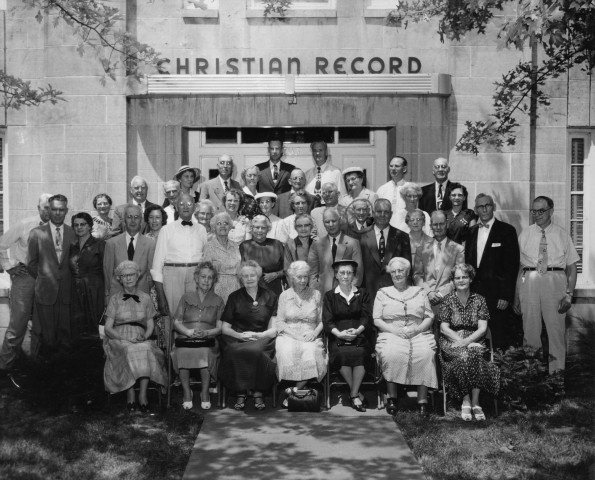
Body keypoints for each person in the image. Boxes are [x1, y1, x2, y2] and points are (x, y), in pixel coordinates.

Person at [515, 196, 579, 373]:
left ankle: (556, 379)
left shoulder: (562, 234)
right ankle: (532, 380)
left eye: (541, 211)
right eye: (534, 211)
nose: (537, 214)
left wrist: (569, 294)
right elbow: (519, 268)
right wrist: (516, 297)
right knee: (530, 333)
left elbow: (572, 267)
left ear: (551, 211)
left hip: (555, 281)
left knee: (556, 332)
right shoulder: (525, 234)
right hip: (529, 282)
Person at [374, 257, 437, 416]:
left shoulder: (420, 291)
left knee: (425, 353)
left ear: (407, 272)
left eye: (400, 271)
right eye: (393, 271)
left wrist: (417, 330)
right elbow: (376, 319)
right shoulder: (382, 293)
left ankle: (422, 401)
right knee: (391, 353)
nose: (397, 274)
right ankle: (392, 398)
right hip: (391, 331)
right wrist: (394, 331)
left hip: (418, 331)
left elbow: (429, 316)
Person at [103, 261, 167, 413]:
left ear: (137, 276)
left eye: (131, 275)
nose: (128, 278)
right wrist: (124, 339)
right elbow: (107, 328)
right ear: (120, 279)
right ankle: (130, 392)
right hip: (118, 337)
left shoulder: (145, 298)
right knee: (129, 349)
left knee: (145, 349)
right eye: (124, 276)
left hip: (140, 336)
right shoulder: (115, 299)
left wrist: (144, 336)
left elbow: (151, 325)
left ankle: (143, 394)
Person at [439, 264, 500, 421]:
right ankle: (466, 400)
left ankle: (475, 401)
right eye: (457, 278)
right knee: (463, 356)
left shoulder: (479, 300)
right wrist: (463, 342)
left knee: (476, 354)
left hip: (475, 339)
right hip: (452, 340)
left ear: (471, 278)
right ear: (453, 281)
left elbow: (482, 328)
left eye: (464, 277)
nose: (461, 280)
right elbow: (444, 327)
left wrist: (468, 341)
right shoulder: (447, 300)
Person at [0, 193, 51, 370]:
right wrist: (9, 267)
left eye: (52, 207)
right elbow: (1, 244)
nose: (49, 211)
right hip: (25, 278)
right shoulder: (25, 225)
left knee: (41, 324)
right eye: (46, 207)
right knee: (18, 324)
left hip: (47, 280)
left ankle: (33, 368)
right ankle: (5, 368)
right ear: (39, 208)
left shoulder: (57, 229)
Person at [219, 261, 278, 410]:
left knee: (257, 351)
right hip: (238, 336)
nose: (249, 278)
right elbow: (225, 328)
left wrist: (259, 336)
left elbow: (274, 329)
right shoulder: (234, 297)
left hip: (262, 336)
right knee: (234, 351)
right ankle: (240, 392)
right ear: (241, 278)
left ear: (258, 277)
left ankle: (258, 392)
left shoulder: (270, 296)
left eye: (252, 275)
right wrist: (240, 336)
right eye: (245, 276)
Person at [151, 194, 209, 348]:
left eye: (189, 203)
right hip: (172, 274)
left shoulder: (202, 230)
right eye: (181, 203)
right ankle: (173, 362)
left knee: (194, 316)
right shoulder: (166, 230)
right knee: (173, 317)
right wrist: (160, 296)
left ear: (195, 207)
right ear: (176, 207)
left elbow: (205, 258)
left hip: (195, 276)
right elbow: (157, 266)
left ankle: (194, 359)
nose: (185, 206)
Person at [465, 194, 520, 351]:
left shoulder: (507, 231)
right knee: (476, 338)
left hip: (498, 296)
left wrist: (506, 295)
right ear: (475, 209)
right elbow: (468, 265)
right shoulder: (471, 232)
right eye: (480, 206)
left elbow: (512, 265)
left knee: (499, 337)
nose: (484, 209)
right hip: (475, 294)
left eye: (487, 205)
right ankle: (479, 373)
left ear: (493, 206)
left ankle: (500, 373)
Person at [172, 261, 224, 410]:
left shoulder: (219, 300)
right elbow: (176, 322)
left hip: (208, 339)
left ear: (214, 280)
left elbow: (220, 328)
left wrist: (207, 333)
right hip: (185, 337)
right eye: (203, 277)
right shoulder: (186, 297)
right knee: (181, 351)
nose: (206, 281)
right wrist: (188, 332)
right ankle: (187, 392)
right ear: (196, 278)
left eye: (210, 277)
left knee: (205, 352)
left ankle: (205, 392)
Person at [27, 194, 74, 355]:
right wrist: (46, 277)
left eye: (61, 209)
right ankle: (44, 375)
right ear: (49, 209)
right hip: (45, 292)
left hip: (67, 293)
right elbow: (32, 264)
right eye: (54, 209)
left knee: (66, 337)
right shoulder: (36, 233)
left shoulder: (73, 232)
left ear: (66, 210)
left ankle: (63, 376)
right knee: (45, 337)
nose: (58, 213)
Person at [322, 260, 373, 412]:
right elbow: (327, 320)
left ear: (354, 276)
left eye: (349, 273)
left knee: (361, 354)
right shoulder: (330, 296)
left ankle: (352, 394)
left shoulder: (362, 293)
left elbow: (367, 317)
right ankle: (356, 394)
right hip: (338, 335)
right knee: (341, 354)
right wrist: (340, 334)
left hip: (360, 334)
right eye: (342, 273)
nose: (345, 276)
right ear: (336, 275)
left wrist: (357, 331)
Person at [275, 261, 326, 407]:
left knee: (311, 351)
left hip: (310, 333)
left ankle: (294, 391)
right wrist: (295, 336)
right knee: (286, 350)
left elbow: (323, 321)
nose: (303, 280)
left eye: (305, 277)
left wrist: (315, 333)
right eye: (299, 277)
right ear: (292, 278)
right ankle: (299, 390)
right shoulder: (284, 296)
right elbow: (280, 322)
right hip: (288, 334)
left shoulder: (316, 294)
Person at [359, 199, 412, 303]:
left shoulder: (402, 236)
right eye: (379, 211)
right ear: (373, 213)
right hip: (367, 293)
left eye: (386, 212)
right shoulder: (361, 235)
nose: (382, 215)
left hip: (395, 293)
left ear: (391, 214)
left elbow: (408, 268)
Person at [413, 210, 465, 315]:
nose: (438, 227)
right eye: (435, 224)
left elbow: (459, 277)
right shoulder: (421, 250)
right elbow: (417, 276)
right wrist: (429, 292)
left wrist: (441, 294)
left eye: (441, 224)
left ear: (447, 224)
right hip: (425, 303)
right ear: (430, 226)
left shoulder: (458, 249)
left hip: (449, 303)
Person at [103, 205, 156, 304]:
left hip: (141, 297)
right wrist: (107, 295)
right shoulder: (111, 243)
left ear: (141, 221)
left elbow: (150, 275)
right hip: (117, 297)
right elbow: (107, 272)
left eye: (136, 217)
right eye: (129, 217)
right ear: (123, 220)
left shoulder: (150, 244)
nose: (133, 220)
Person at [307, 208, 363, 295]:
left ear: (339, 220)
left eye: (333, 221)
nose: (330, 224)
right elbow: (312, 273)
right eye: (327, 222)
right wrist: (315, 293)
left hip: (347, 293)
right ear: (323, 223)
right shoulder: (317, 244)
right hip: (323, 294)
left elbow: (358, 272)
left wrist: (350, 292)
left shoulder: (353, 243)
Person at [69, 212, 105, 337]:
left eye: (83, 224)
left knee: (94, 326)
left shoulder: (100, 244)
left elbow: (106, 270)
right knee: (76, 326)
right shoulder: (71, 246)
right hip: (75, 290)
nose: (79, 227)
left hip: (94, 290)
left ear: (89, 225)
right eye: (76, 225)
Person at [240, 215, 285, 296]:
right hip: (251, 290)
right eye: (257, 227)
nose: (259, 230)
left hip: (273, 290)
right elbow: (240, 271)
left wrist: (276, 274)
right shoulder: (244, 246)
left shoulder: (277, 244)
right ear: (252, 228)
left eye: (263, 228)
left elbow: (286, 268)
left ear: (268, 229)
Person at [202, 212, 241, 303]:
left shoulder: (235, 245)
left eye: (225, 223)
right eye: (219, 223)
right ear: (214, 228)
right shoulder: (209, 246)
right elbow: (205, 272)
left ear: (230, 227)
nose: (222, 226)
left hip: (235, 287)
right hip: (217, 289)